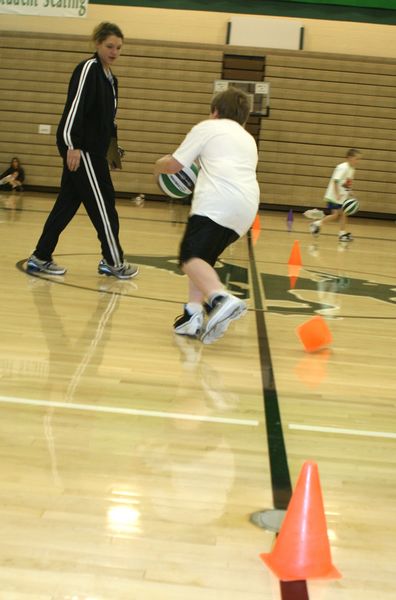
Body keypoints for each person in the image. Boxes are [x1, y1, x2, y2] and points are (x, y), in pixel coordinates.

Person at [27, 22, 138, 279]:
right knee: (104, 205)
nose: (114, 51)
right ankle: (113, 261)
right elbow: (73, 108)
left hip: (94, 152)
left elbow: (108, 122)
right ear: (97, 44)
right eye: (109, 46)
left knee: (66, 205)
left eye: (118, 48)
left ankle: (40, 256)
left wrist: (112, 154)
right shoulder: (88, 69)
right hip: (82, 150)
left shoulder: (112, 81)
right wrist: (71, 145)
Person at [154, 87, 260, 344]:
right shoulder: (247, 138)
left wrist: (157, 167)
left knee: (189, 257)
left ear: (214, 112)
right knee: (203, 260)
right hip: (246, 210)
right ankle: (192, 315)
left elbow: (175, 165)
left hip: (217, 204)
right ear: (243, 118)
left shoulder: (207, 128)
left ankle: (221, 299)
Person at [309, 148, 362, 242]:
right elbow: (335, 181)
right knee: (336, 215)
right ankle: (317, 224)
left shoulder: (352, 169)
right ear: (350, 158)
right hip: (334, 196)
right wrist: (337, 194)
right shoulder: (343, 167)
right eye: (356, 159)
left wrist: (350, 191)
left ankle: (341, 233)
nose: (358, 161)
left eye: (359, 159)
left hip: (342, 196)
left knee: (343, 214)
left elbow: (346, 182)